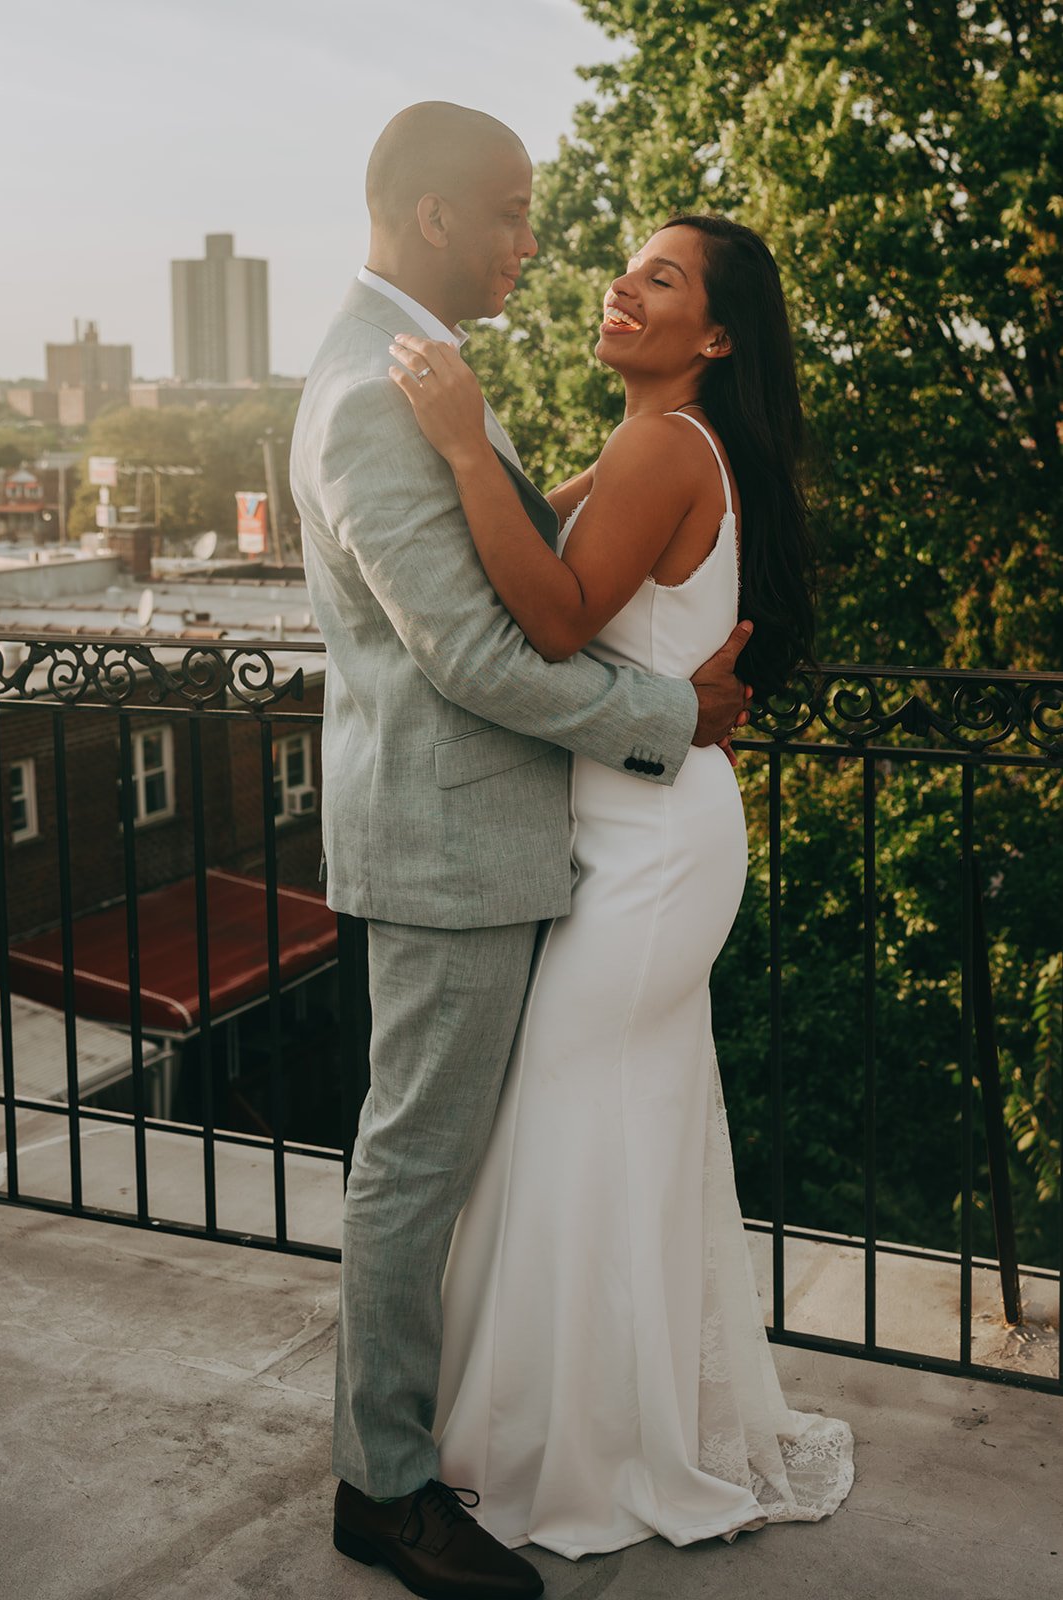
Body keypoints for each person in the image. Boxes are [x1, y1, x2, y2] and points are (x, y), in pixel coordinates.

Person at [290, 103, 752, 1600]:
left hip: (492, 838)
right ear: (434, 220)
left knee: (449, 1159)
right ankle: (387, 1486)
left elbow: (530, 582)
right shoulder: (380, 386)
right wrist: (665, 713)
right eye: (509, 213)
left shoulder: (414, 369)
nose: (532, 244)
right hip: (446, 841)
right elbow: (477, 660)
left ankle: (488, 1436)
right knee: (415, 1167)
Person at [390, 213, 855, 1556]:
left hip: (650, 849)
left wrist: (468, 443)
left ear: (714, 335)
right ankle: (613, 1422)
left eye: (660, 279)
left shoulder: (666, 443)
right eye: (625, 268)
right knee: (614, 1123)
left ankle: (578, 1450)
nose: (621, 286)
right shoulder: (663, 441)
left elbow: (551, 614)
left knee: (570, 1114)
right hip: (642, 822)